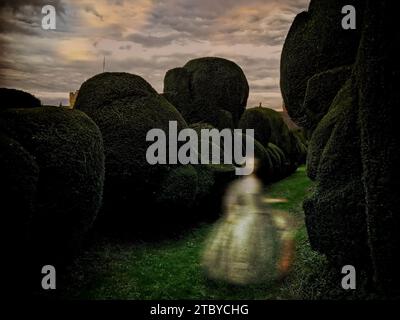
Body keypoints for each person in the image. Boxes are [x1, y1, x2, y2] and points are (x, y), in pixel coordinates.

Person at [202, 157, 294, 285]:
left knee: (284, 222)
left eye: (254, 164)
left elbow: (258, 201)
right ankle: (240, 272)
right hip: (247, 215)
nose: (252, 167)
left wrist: (275, 201)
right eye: (250, 165)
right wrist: (231, 214)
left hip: (259, 212)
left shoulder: (256, 182)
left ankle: (282, 265)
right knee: (245, 236)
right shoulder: (239, 184)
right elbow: (230, 201)